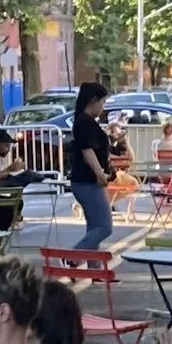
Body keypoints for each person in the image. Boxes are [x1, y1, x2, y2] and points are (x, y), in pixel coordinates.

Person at [66, 81, 117, 250]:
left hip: (86, 181)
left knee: (94, 227)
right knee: (104, 227)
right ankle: (72, 258)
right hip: (88, 181)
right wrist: (99, 174)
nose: (103, 107)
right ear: (93, 100)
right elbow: (87, 151)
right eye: (102, 102)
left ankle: (94, 270)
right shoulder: (85, 122)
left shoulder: (83, 121)